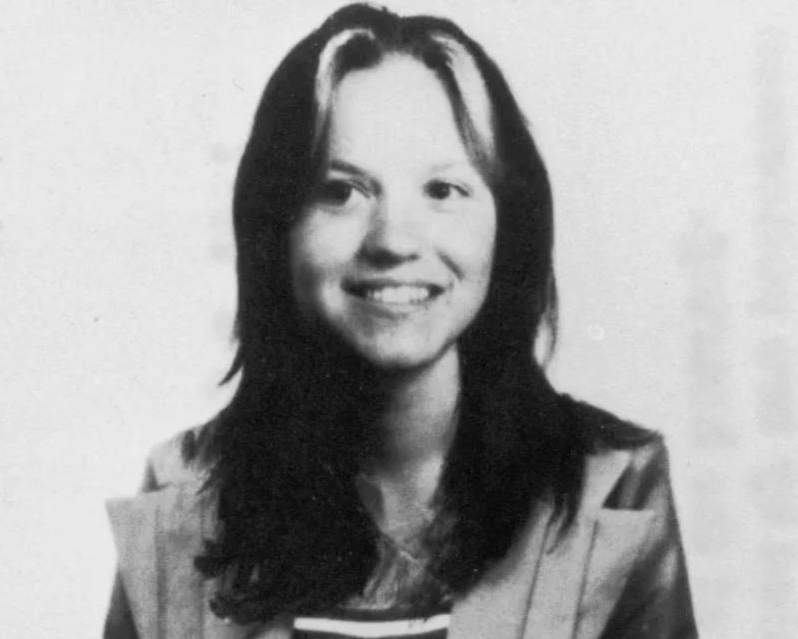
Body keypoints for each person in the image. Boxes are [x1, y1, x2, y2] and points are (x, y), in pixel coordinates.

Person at [103, 4, 696, 638]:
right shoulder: (181, 496)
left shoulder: (613, 491)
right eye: (342, 191)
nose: (393, 240)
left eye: (443, 190)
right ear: (275, 230)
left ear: (508, 226)